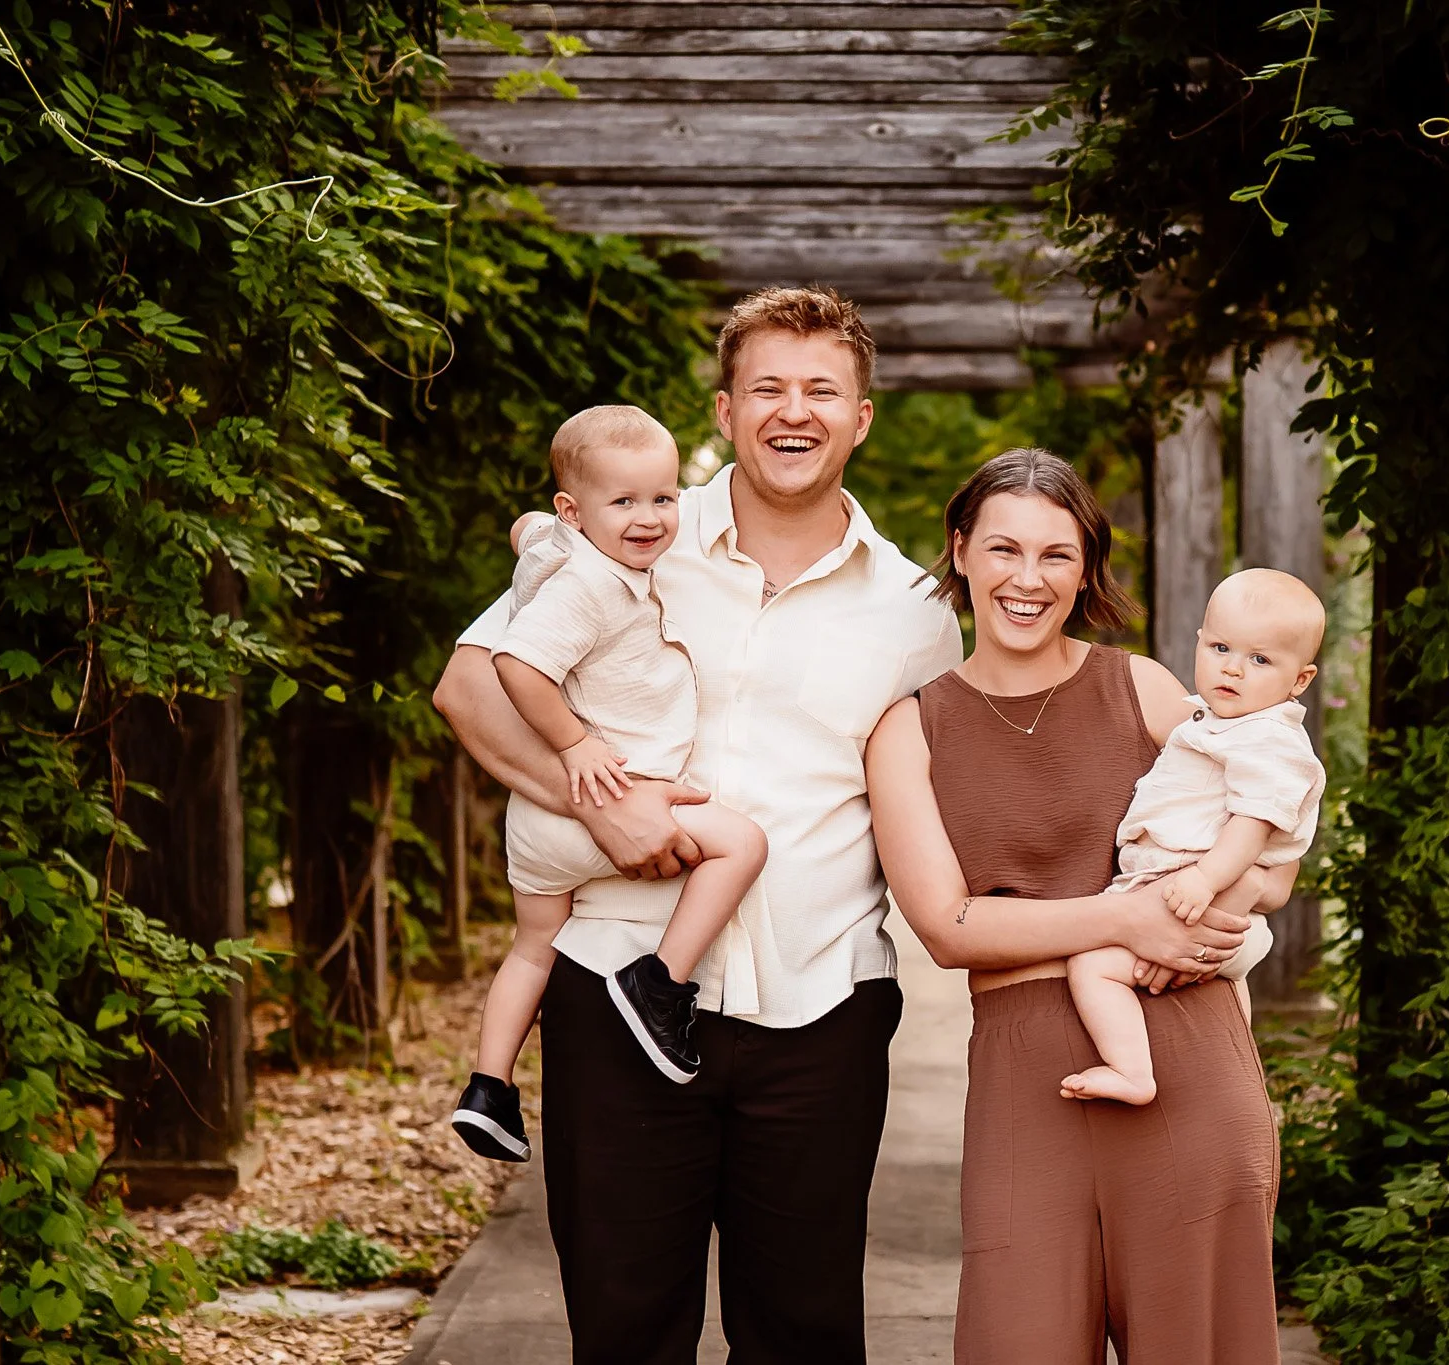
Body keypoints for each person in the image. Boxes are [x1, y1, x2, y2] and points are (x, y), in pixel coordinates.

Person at [432, 286, 962, 1364]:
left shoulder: (915, 610)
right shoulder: (634, 531)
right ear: (724, 411)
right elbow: (470, 689)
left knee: (804, 1337)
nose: (793, 410)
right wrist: (600, 805)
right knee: (624, 1333)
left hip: (821, 1009)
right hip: (614, 982)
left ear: (861, 417)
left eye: (822, 389)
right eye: (767, 386)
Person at [866, 447, 1297, 1364]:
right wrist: (1127, 918)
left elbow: (1271, 855)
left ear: (1086, 567)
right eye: (1004, 548)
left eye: (1057, 555)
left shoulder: (1139, 685)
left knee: (1201, 1345)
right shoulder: (911, 727)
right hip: (1026, 1075)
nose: (1028, 579)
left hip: (1186, 1048)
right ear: (960, 551)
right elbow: (947, 928)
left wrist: (1208, 912)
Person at [448, 406, 770, 1165]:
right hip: (605, 801)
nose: (649, 518)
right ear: (578, 511)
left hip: (536, 825)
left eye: (663, 498)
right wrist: (575, 741)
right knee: (742, 845)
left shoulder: (559, 548)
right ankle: (661, 983)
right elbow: (517, 665)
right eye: (623, 502)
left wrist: (535, 527)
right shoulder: (590, 587)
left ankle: (489, 1087)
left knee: (531, 948)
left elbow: (527, 529)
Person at [1063, 567, 1326, 1105]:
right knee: (1226, 999)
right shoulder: (1216, 723)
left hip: (1203, 898)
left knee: (1091, 966)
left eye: (1260, 659)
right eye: (1222, 647)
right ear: (1199, 642)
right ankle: (1238, 1081)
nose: (1232, 668)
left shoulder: (1269, 739)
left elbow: (1254, 823)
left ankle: (1132, 1071)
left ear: (1299, 680)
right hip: (1191, 896)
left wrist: (1205, 882)